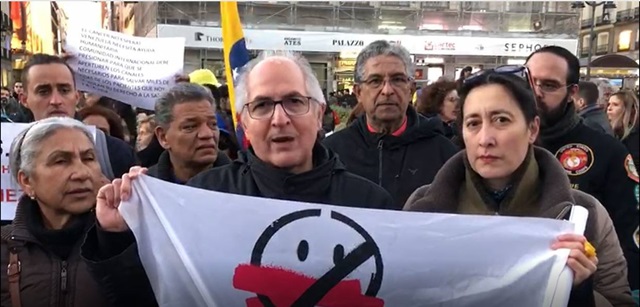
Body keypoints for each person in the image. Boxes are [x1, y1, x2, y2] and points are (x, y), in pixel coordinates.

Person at [80, 51, 394, 307]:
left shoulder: (370, 203)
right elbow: (152, 296)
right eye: (262, 105)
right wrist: (116, 236)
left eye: (294, 102)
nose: (279, 118)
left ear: (319, 113)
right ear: (243, 122)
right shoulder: (202, 198)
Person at [404, 72, 633, 307]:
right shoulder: (423, 208)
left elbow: (619, 301)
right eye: (473, 123)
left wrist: (578, 292)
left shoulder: (584, 214)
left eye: (501, 120)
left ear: (532, 129)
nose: (485, 139)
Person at [526, 46, 639, 298]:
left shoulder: (607, 151)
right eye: (530, 82)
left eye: (549, 85)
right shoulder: (500, 146)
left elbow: (629, 233)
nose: (536, 92)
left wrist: (606, 293)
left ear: (572, 93)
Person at [323, 40, 458, 208]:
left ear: (411, 89)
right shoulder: (330, 154)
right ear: (358, 92)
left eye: (397, 80)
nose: (387, 90)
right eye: (375, 81)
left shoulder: (445, 155)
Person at [1, 117, 110, 307]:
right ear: (26, 181)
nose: (82, 173)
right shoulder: (4, 248)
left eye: (89, 158)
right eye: (60, 161)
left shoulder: (122, 243)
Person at [20, 54, 137, 180]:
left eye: (64, 90)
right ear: (24, 99)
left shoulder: (114, 152)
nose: (56, 100)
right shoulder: (8, 150)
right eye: (43, 92)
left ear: (77, 96)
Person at [146, 83, 231, 184]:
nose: (207, 134)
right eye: (190, 126)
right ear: (163, 137)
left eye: (213, 124)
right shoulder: (144, 189)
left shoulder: (246, 186)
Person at [607, 90, 639, 168]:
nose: (609, 108)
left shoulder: (634, 139)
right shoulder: (619, 134)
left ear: (630, 111)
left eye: (615, 104)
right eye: (608, 104)